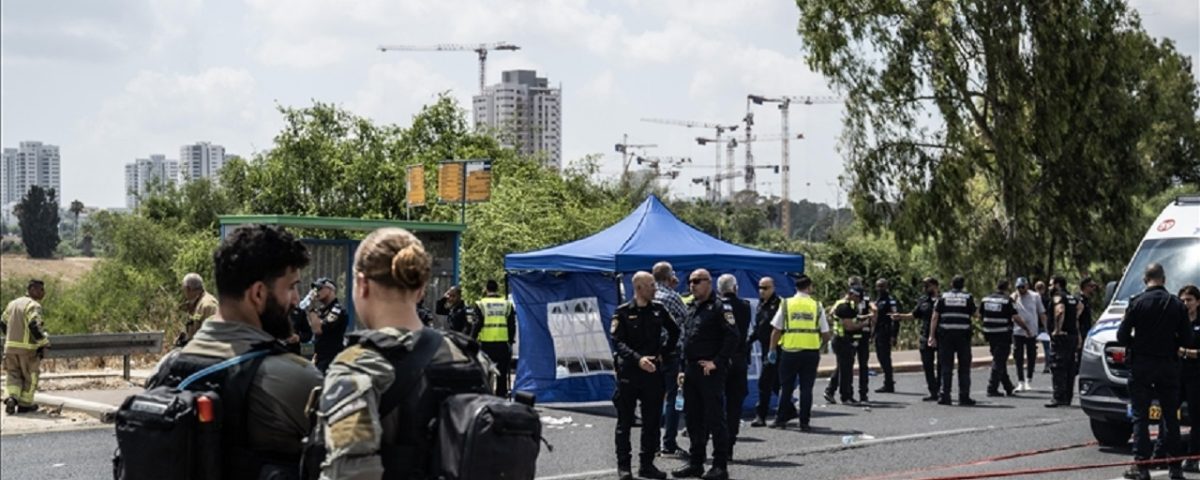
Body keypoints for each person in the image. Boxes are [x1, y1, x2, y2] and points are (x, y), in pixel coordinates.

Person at [316, 227, 494, 479]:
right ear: (421, 289)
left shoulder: (358, 367)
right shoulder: (473, 359)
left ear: (362, 284)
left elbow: (350, 473)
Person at [145, 225, 322, 478]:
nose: (296, 299)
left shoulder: (166, 368)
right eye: (291, 287)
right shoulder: (297, 378)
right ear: (258, 293)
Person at [1116, 263, 1192, 480]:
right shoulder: (1176, 304)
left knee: (1140, 416)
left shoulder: (1136, 303)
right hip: (1168, 365)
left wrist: (1138, 343)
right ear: (1164, 279)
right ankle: (1175, 467)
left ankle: (1141, 466)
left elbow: (1122, 336)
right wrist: (1169, 344)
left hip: (1141, 365)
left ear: (1144, 279)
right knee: (1171, 416)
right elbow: (1186, 339)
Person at [611, 271, 680, 480]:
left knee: (651, 422)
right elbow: (618, 342)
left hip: (653, 373)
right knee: (625, 422)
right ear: (639, 288)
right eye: (650, 285)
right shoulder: (622, 312)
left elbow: (675, 332)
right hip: (630, 372)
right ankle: (624, 466)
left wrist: (662, 354)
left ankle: (647, 464)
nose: (655, 289)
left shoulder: (659, 310)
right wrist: (637, 359)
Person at [672, 269, 737, 480]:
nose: (692, 285)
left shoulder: (720, 307)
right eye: (690, 281)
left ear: (709, 283)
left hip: (709, 371)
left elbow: (732, 337)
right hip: (691, 370)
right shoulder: (691, 307)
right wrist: (682, 369)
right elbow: (686, 340)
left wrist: (717, 362)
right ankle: (696, 462)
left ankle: (719, 466)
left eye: (697, 281)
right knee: (693, 419)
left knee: (715, 418)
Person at [767, 275, 831, 431]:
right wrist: (819, 346)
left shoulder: (787, 304)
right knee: (806, 389)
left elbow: (776, 330)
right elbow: (826, 333)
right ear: (809, 288)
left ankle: (780, 420)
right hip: (810, 353)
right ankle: (804, 422)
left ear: (796, 288)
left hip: (790, 352)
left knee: (786, 387)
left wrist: (772, 350)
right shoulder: (817, 306)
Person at [652, 262, 689, 455]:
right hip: (671, 354)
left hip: (650, 355)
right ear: (669, 277)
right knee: (673, 398)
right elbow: (687, 318)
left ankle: (651, 443)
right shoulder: (672, 297)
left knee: (653, 398)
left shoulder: (648, 296)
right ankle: (669, 443)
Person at [716, 274, 751, 460]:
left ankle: (717, 443)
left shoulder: (716, 306)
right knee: (734, 403)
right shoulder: (744, 306)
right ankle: (730, 443)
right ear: (735, 288)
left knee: (715, 402)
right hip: (739, 359)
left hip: (720, 359)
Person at [3, 279, 50, 414]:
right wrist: (43, 342)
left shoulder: (12, 304)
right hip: (28, 350)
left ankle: (12, 397)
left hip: (10, 348)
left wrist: (11, 337)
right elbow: (34, 325)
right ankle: (25, 404)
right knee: (31, 376)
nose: (43, 293)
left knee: (13, 375)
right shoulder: (33, 305)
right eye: (41, 289)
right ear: (32, 289)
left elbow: (2, 322)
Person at [929, 275, 977, 406]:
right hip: (963, 336)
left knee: (946, 367)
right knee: (964, 367)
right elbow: (975, 314)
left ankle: (945, 396)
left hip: (946, 336)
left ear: (951, 284)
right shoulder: (968, 297)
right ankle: (964, 396)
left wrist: (931, 336)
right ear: (963, 285)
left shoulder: (943, 297)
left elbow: (935, 317)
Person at [891, 277, 941, 401]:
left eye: (927, 286)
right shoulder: (923, 301)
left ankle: (942, 390)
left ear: (935, 286)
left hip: (942, 336)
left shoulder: (943, 299)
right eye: (924, 286)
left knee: (942, 366)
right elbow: (914, 315)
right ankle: (933, 392)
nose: (925, 289)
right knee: (927, 366)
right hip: (925, 336)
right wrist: (900, 316)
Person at [824, 276, 873, 403]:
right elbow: (849, 326)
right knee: (846, 371)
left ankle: (831, 391)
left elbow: (848, 317)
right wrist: (864, 324)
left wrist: (864, 317)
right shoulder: (845, 306)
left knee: (843, 367)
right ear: (852, 295)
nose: (859, 300)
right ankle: (845, 396)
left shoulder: (843, 304)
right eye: (858, 298)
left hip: (844, 338)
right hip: (842, 339)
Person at [980, 280, 1028, 397]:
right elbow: (1015, 317)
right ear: (1007, 288)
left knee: (999, 360)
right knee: (999, 361)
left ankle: (1008, 386)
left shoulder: (985, 299)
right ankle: (992, 388)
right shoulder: (1007, 300)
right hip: (1003, 334)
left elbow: (980, 314)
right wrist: (1026, 328)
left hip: (989, 334)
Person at [749, 277, 782, 426]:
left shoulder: (779, 304)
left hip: (776, 348)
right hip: (765, 347)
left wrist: (773, 348)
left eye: (766, 288)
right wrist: (749, 340)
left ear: (773, 288)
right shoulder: (761, 304)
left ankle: (760, 415)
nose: (762, 291)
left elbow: (779, 328)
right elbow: (759, 327)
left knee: (765, 382)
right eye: (760, 287)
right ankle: (789, 408)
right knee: (775, 383)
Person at [476, 279, 516, 398]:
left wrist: (471, 339)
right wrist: (510, 340)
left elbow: (477, 323)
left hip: (486, 344)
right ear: (497, 289)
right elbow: (511, 325)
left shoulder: (481, 304)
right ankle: (501, 396)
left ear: (486, 289)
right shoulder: (507, 304)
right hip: (502, 344)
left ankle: (487, 396)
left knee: (485, 372)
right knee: (502, 373)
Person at [1175, 285, 1200, 474]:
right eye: (1182, 300)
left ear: (1198, 302)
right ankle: (1167, 455)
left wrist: (1184, 352)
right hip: (1177, 375)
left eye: (1189, 300)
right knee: (1168, 416)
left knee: (1196, 418)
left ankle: (1193, 457)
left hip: (1196, 376)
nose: (1186, 304)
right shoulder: (1177, 322)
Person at [1045, 275, 1080, 408]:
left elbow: (1060, 311)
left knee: (1058, 366)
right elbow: (1079, 308)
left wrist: (1057, 329)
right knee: (1070, 367)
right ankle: (1067, 397)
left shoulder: (1058, 297)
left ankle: (1058, 397)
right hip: (1072, 336)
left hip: (1061, 337)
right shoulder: (1072, 297)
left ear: (1058, 285)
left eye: (1051, 284)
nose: (1050, 287)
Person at [1010, 277, 1046, 392]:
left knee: (1031, 355)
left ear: (1027, 286)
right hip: (1017, 331)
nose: (1020, 289)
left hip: (1032, 331)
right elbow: (1010, 311)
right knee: (1018, 356)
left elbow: (1041, 312)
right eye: (1018, 287)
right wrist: (1013, 299)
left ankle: (1028, 379)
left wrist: (1046, 327)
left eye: (1022, 287)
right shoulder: (1013, 297)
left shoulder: (1035, 296)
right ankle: (1020, 381)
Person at [308, 277, 350, 374]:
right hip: (320, 358)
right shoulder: (321, 311)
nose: (316, 292)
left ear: (330, 290)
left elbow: (318, 329)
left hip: (331, 361)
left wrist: (311, 307)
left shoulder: (337, 310)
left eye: (319, 288)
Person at [871, 278, 901, 393]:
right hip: (879, 332)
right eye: (878, 286)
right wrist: (872, 334)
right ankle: (888, 381)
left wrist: (894, 335)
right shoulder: (877, 300)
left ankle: (889, 383)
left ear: (886, 287)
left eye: (882, 286)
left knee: (885, 358)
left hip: (886, 332)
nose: (879, 289)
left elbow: (895, 318)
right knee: (881, 357)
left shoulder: (890, 301)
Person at [179, 273, 219, 345]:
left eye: (184, 289)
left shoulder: (208, 305)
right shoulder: (196, 303)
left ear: (188, 289)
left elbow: (214, 334)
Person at [1035, 280, 1053, 374]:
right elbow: (1047, 314)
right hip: (1043, 326)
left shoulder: (1032, 299)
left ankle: (1031, 364)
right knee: (1046, 347)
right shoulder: (1047, 300)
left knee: (1032, 346)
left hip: (1033, 325)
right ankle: (1047, 365)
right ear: (1044, 289)